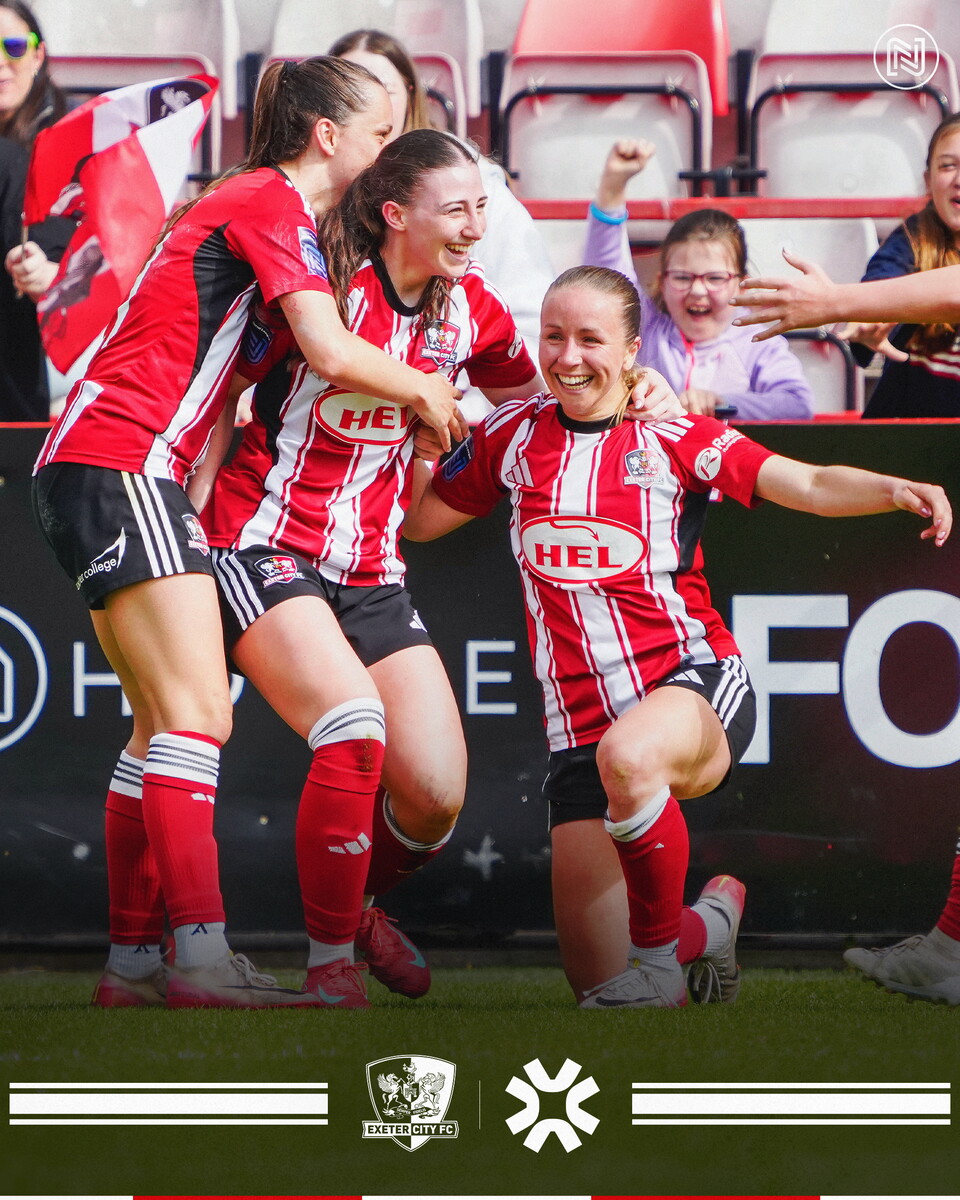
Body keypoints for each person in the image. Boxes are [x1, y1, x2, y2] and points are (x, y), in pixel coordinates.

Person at [28, 58, 465, 1010]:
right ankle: (201, 958)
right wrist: (430, 390)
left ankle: (135, 965)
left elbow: (233, 371)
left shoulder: (268, 211)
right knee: (197, 716)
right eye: (382, 135)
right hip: (120, 460)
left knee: (158, 726)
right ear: (327, 136)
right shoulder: (267, 200)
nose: (389, 155)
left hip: (101, 465)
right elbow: (328, 348)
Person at [403, 264, 952, 1008]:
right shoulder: (511, 435)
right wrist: (424, 430)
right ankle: (706, 928)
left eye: (590, 339)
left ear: (632, 351)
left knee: (629, 761)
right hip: (577, 736)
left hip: (694, 686)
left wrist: (891, 489)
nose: (567, 357)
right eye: (553, 337)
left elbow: (809, 485)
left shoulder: (674, 434)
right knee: (597, 984)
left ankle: (661, 964)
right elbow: (423, 520)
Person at [195, 128, 543, 1007]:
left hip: (372, 566)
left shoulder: (479, 313)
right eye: (457, 208)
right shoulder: (322, 291)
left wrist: (630, 389)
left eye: (481, 207)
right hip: (264, 541)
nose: (476, 224)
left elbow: (535, 409)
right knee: (353, 727)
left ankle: (355, 908)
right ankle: (328, 973)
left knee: (431, 794)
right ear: (395, 214)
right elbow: (222, 386)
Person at [329, 28, 556, 421]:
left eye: (382, 88)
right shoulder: (314, 197)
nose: (474, 227)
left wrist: (461, 412)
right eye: (349, 89)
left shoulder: (474, 182)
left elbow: (526, 325)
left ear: (410, 95)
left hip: (453, 426)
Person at [583, 139, 814, 420]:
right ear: (662, 281)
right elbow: (608, 279)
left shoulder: (757, 339)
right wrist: (612, 188)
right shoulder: (649, 329)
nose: (697, 290)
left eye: (715, 277)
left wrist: (722, 403)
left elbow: (797, 406)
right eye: (682, 277)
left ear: (742, 283)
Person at [839, 112, 960, 419]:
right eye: (948, 166)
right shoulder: (913, 237)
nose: (959, 180)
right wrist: (872, 314)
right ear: (928, 180)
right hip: (907, 436)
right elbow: (880, 284)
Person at [0, 0, 69, 419]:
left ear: (38, 54)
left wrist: (48, 273)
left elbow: (108, 260)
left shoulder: (70, 137)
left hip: (61, 338)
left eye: (13, 46)